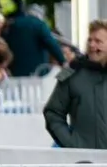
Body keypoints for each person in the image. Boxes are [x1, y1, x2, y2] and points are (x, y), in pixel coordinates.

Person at [45, 20, 107, 148]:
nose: (92, 45)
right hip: (82, 157)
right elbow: (53, 113)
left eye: (98, 41)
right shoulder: (72, 72)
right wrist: (70, 143)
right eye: (89, 40)